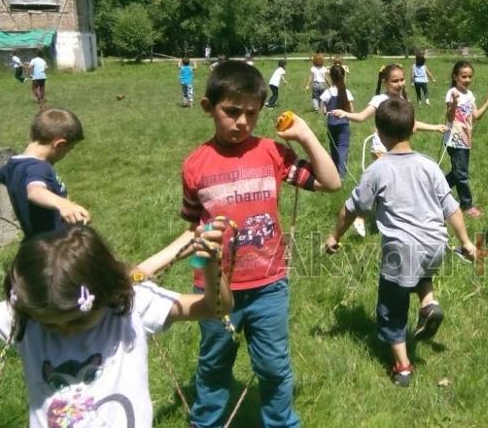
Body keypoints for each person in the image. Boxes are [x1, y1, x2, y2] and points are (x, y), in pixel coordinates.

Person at [138, 60, 341, 428]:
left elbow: (332, 183)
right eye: (231, 112)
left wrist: (306, 135)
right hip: (214, 288)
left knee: (274, 367)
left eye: (252, 113)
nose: (242, 122)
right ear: (207, 107)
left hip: (269, 286)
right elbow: (193, 231)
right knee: (213, 365)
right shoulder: (195, 166)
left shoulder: (271, 153)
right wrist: (151, 266)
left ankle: (281, 422)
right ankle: (207, 422)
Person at [0, 224, 232, 428]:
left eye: (77, 320)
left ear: (106, 293)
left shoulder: (131, 309)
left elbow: (215, 308)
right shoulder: (26, 318)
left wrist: (211, 266)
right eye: (50, 326)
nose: (66, 331)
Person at [324, 98, 476, 386]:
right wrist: (465, 241)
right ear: (413, 130)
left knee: (391, 308)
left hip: (401, 250)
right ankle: (429, 303)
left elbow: (350, 209)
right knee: (419, 272)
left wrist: (334, 236)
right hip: (436, 244)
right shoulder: (429, 165)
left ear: (379, 134)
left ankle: (403, 366)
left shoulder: (378, 170)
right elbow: (452, 207)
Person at [331, 64, 446, 236]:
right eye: (395, 81)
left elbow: (413, 125)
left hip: (399, 150)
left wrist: (436, 127)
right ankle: (360, 214)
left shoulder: (404, 101)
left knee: (391, 186)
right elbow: (362, 116)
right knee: (383, 185)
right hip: (381, 148)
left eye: (402, 79)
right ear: (385, 82)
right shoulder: (379, 100)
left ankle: (387, 217)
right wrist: (344, 114)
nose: (400, 84)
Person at [0, 108, 89, 239]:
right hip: (55, 246)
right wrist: (63, 204)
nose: (67, 154)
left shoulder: (12, 165)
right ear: (59, 144)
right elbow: (35, 191)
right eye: (69, 150)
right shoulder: (38, 168)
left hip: (35, 243)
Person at [443, 60, 488, 218]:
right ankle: (467, 205)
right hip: (454, 139)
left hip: (466, 139)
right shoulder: (452, 92)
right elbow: (449, 116)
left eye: (469, 77)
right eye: (463, 77)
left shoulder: (470, 94)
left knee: (458, 172)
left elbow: (476, 116)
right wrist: (454, 102)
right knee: (462, 174)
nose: (467, 80)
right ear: (455, 77)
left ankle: (437, 189)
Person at [320, 64, 354, 180]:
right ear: (343, 77)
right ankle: (342, 175)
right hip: (343, 123)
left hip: (331, 124)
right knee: (343, 147)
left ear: (330, 77)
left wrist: (327, 111)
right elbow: (351, 109)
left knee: (333, 146)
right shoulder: (346, 92)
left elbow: (324, 110)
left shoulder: (327, 92)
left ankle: (334, 170)